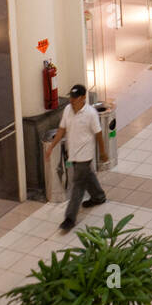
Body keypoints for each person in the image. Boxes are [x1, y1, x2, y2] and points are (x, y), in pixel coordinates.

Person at [45, 84, 108, 232]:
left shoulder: (91, 113)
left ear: (83, 98)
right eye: (71, 97)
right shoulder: (67, 110)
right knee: (87, 176)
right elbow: (61, 130)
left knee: (78, 184)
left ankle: (70, 218)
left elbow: (98, 134)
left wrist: (103, 152)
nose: (72, 100)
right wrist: (51, 146)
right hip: (72, 153)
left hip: (85, 154)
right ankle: (98, 196)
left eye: (75, 98)